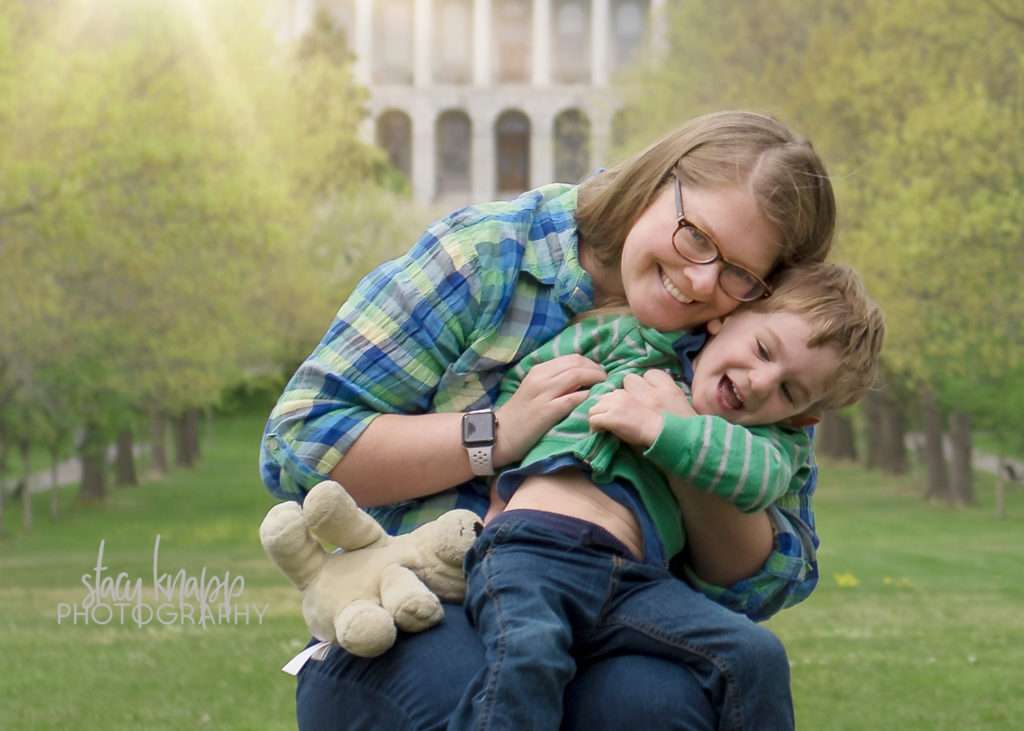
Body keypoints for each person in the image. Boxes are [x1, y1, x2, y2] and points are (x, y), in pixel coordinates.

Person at [260, 110, 837, 731]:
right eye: (697, 236)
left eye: (739, 274)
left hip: (627, 608)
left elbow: (766, 580)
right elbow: (300, 443)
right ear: (655, 182)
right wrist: (497, 434)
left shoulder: (757, 357)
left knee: (661, 706)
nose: (700, 282)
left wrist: (687, 446)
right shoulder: (489, 253)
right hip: (418, 599)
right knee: (465, 682)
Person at [449, 262, 885, 730]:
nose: (760, 381)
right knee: (526, 656)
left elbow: (755, 481)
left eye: (789, 390)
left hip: (631, 582)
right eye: (762, 350)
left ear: (802, 418)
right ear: (725, 318)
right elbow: (527, 380)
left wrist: (665, 430)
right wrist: (500, 465)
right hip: (532, 549)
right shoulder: (631, 341)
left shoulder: (770, 444)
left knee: (754, 654)